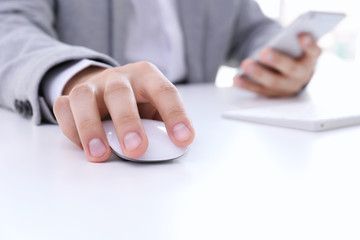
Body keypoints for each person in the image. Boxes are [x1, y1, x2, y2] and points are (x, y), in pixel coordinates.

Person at [0, 0, 321, 162]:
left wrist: (284, 60)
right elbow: (9, 24)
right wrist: (80, 74)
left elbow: (253, 29)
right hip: (90, 108)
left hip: (202, 118)